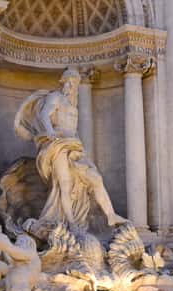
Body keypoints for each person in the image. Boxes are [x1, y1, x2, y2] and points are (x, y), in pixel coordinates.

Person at [14, 68, 127, 231]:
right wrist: (50, 131)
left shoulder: (72, 104)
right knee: (64, 184)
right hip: (57, 144)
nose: (71, 86)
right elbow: (45, 114)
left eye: (74, 83)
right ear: (64, 83)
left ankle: (110, 215)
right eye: (69, 82)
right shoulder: (56, 97)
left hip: (74, 145)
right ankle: (71, 223)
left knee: (95, 178)